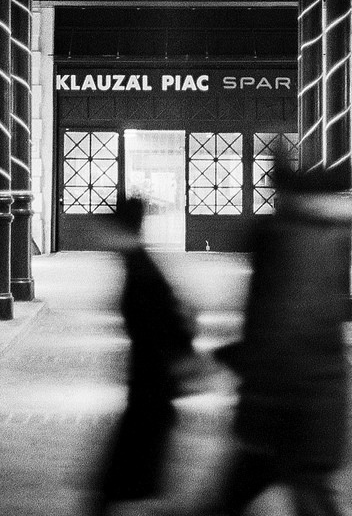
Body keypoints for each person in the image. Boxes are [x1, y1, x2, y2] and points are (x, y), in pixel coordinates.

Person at [207, 165, 352, 516]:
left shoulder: (289, 241)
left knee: (253, 491)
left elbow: (287, 327)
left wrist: (233, 357)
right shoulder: (324, 238)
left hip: (288, 408)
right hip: (305, 406)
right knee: (277, 489)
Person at [92, 197, 199, 516]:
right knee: (131, 478)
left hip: (151, 389)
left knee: (121, 479)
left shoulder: (140, 272)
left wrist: (180, 363)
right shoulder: (137, 264)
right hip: (149, 387)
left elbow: (165, 325)